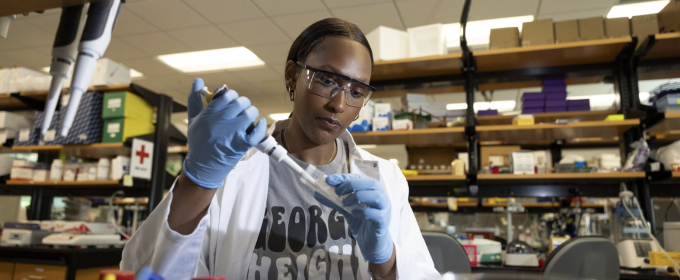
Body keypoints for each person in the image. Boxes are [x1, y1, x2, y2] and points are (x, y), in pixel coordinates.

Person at [121, 18, 440, 280]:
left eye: (356, 91)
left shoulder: (386, 178)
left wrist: (386, 259)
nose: (339, 104)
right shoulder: (231, 169)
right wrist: (198, 180)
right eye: (327, 80)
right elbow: (140, 269)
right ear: (292, 76)